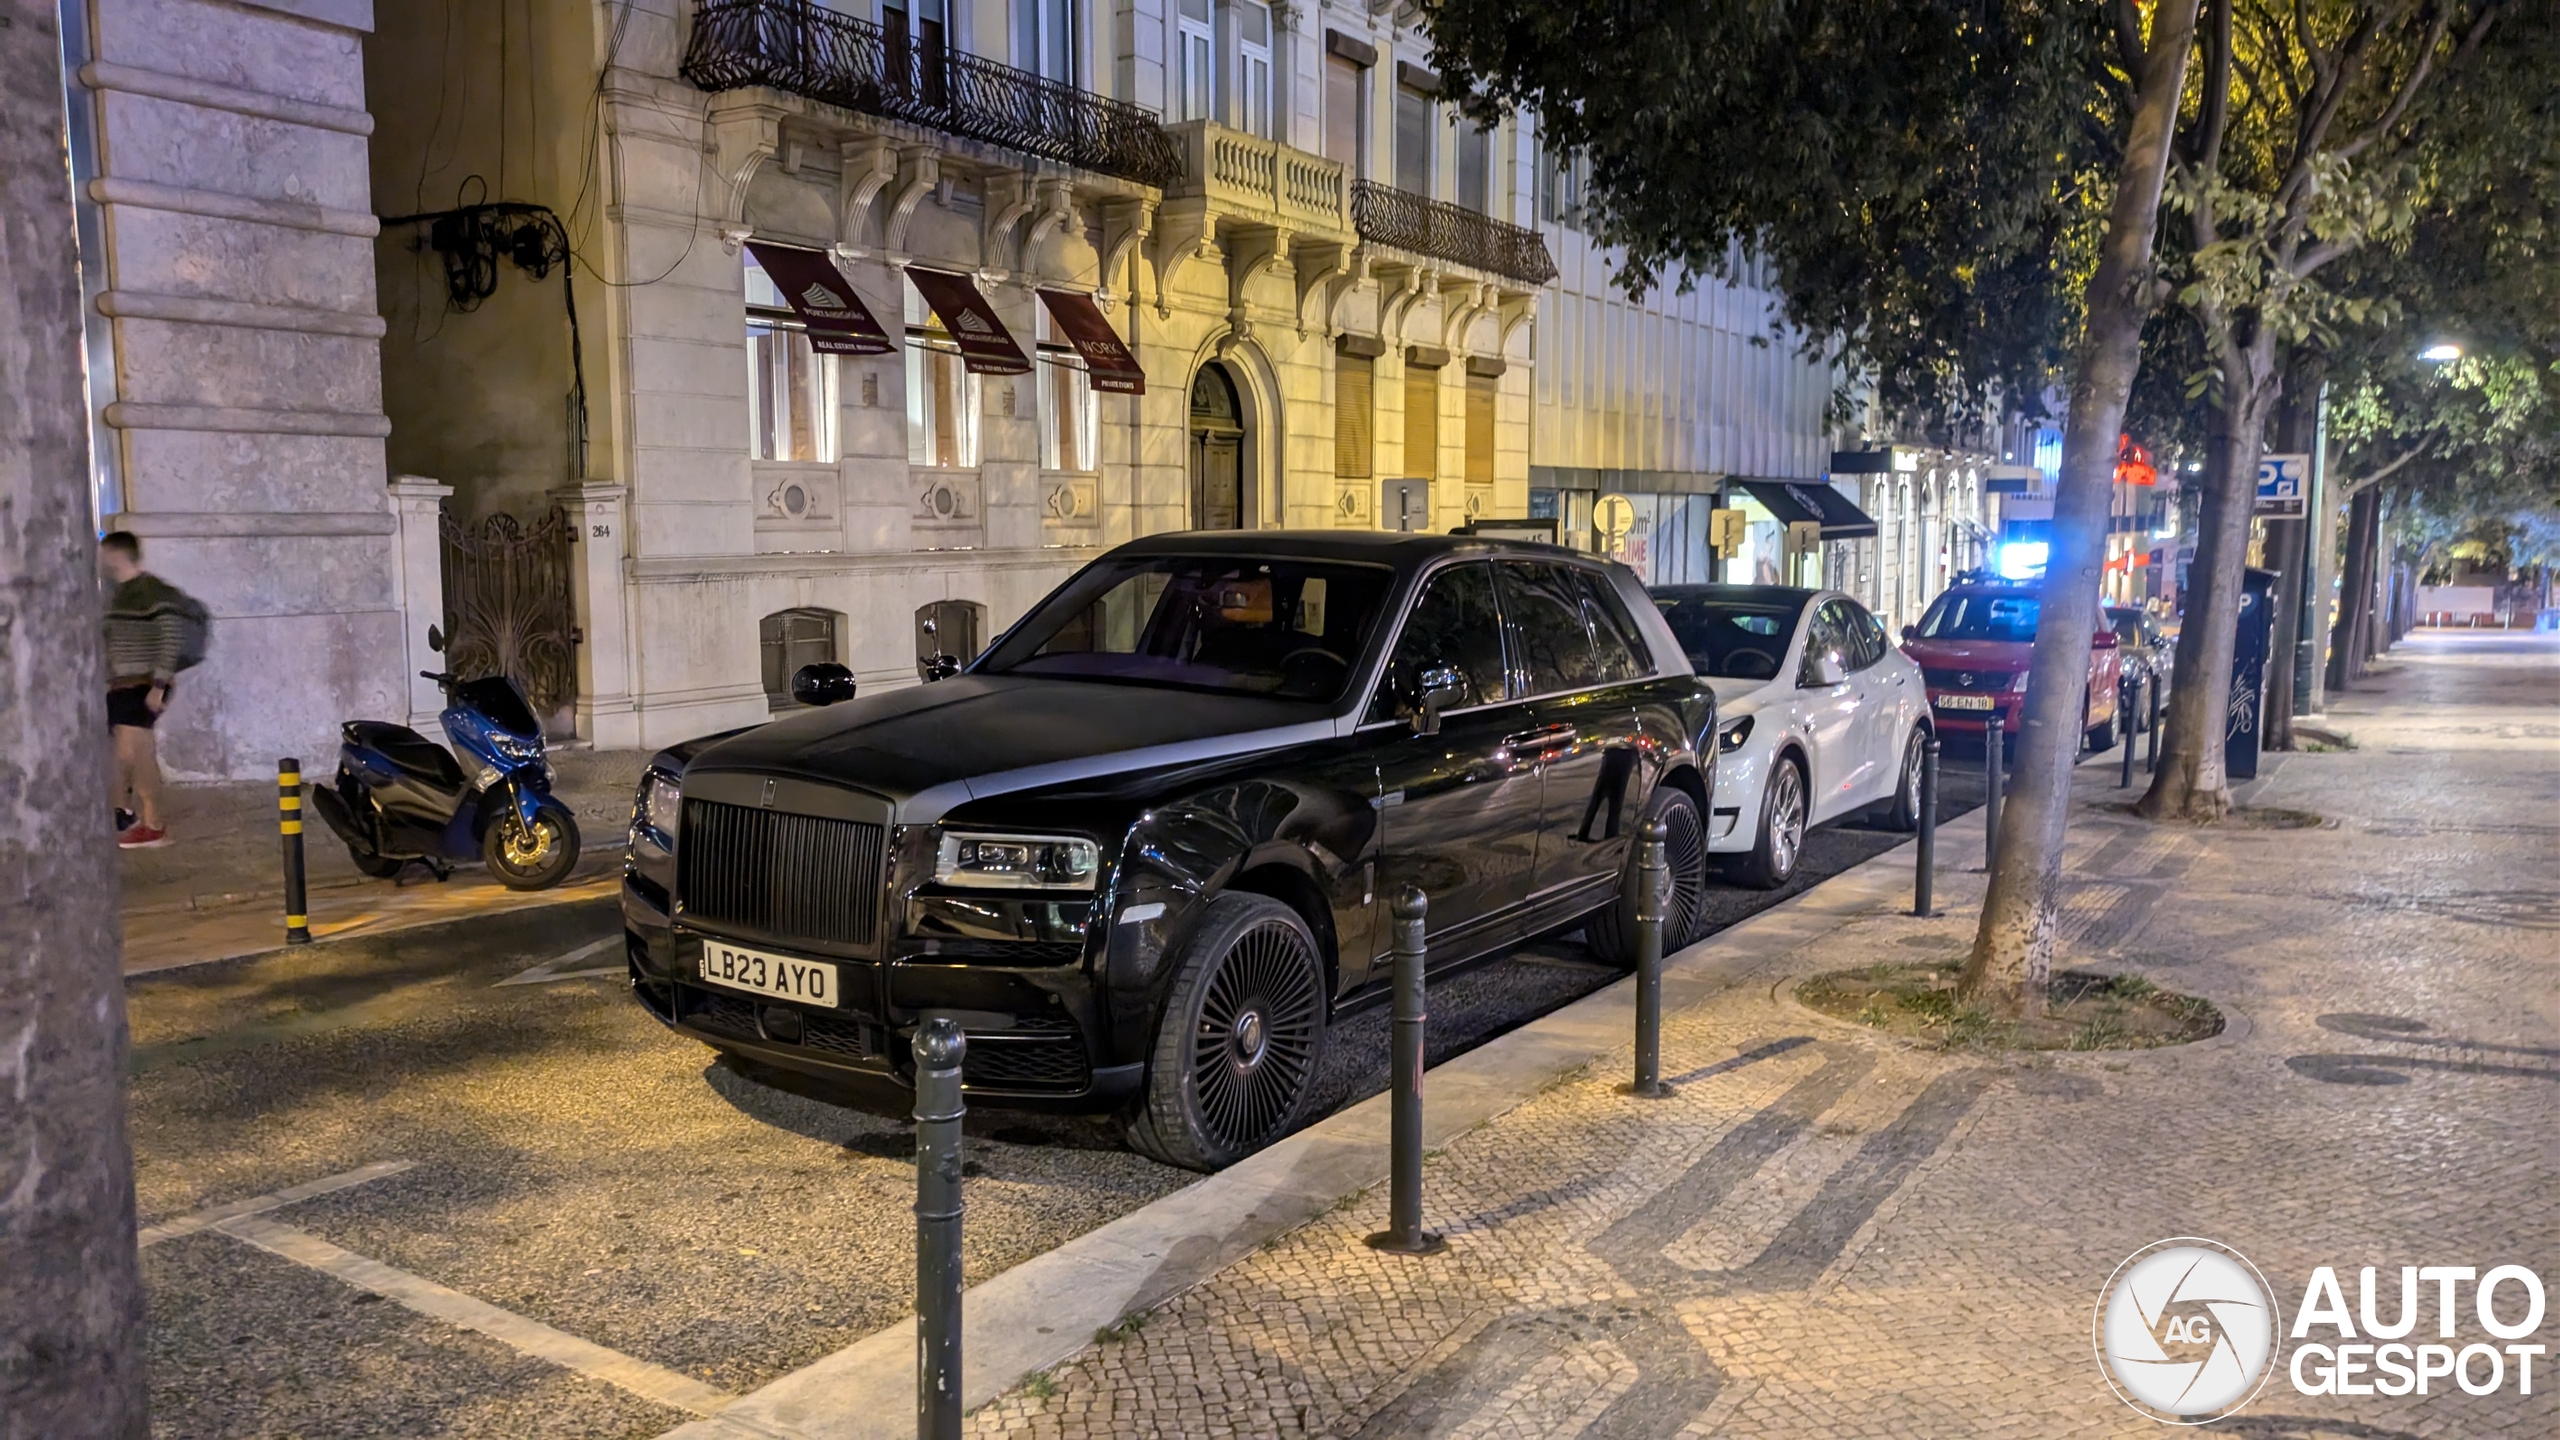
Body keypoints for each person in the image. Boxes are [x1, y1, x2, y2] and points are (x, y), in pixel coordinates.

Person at [101, 530, 183, 847]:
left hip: (143, 686)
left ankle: (154, 824)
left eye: (104, 554)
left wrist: (159, 686)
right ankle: (126, 812)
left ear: (116, 556)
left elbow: (171, 637)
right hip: (124, 687)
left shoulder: (150, 592)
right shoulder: (120, 593)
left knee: (140, 754)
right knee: (124, 754)